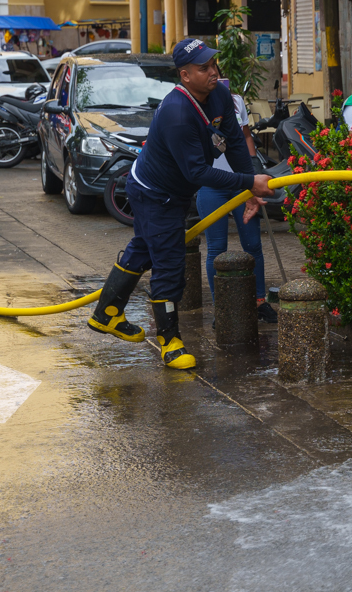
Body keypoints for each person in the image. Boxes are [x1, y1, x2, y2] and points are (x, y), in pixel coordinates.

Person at [88, 39, 272, 369]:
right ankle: (170, 343)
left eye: (214, 65)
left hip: (171, 192)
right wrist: (249, 183)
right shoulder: (177, 113)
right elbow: (198, 171)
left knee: (145, 248)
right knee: (170, 266)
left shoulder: (219, 95)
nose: (213, 72)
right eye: (204, 68)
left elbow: (232, 144)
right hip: (155, 194)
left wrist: (250, 189)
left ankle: (107, 313)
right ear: (185, 76)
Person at [197, 79, 276, 324]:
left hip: (241, 184)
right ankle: (221, 306)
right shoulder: (192, 106)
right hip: (211, 186)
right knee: (216, 248)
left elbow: (245, 137)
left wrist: (253, 170)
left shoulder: (235, 102)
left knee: (253, 245)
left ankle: (259, 301)